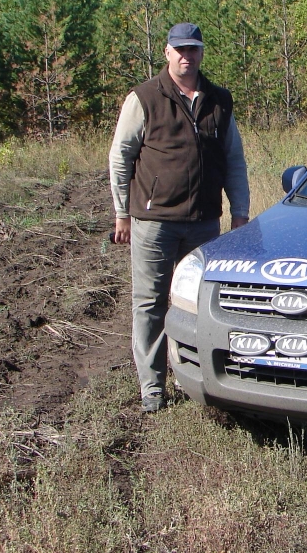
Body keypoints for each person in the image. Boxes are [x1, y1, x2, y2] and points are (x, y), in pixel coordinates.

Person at [109, 22, 250, 413]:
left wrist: (240, 212)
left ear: (202, 52)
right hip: (154, 222)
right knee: (150, 303)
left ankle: (199, 378)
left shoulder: (219, 100)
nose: (187, 56)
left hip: (204, 223)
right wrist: (122, 212)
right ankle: (152, 386)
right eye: (180, 49)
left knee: (201, 303)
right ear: (167, 53)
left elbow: (234, 160)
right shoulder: (143, 98)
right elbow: (121, 157)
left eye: (194, 49)